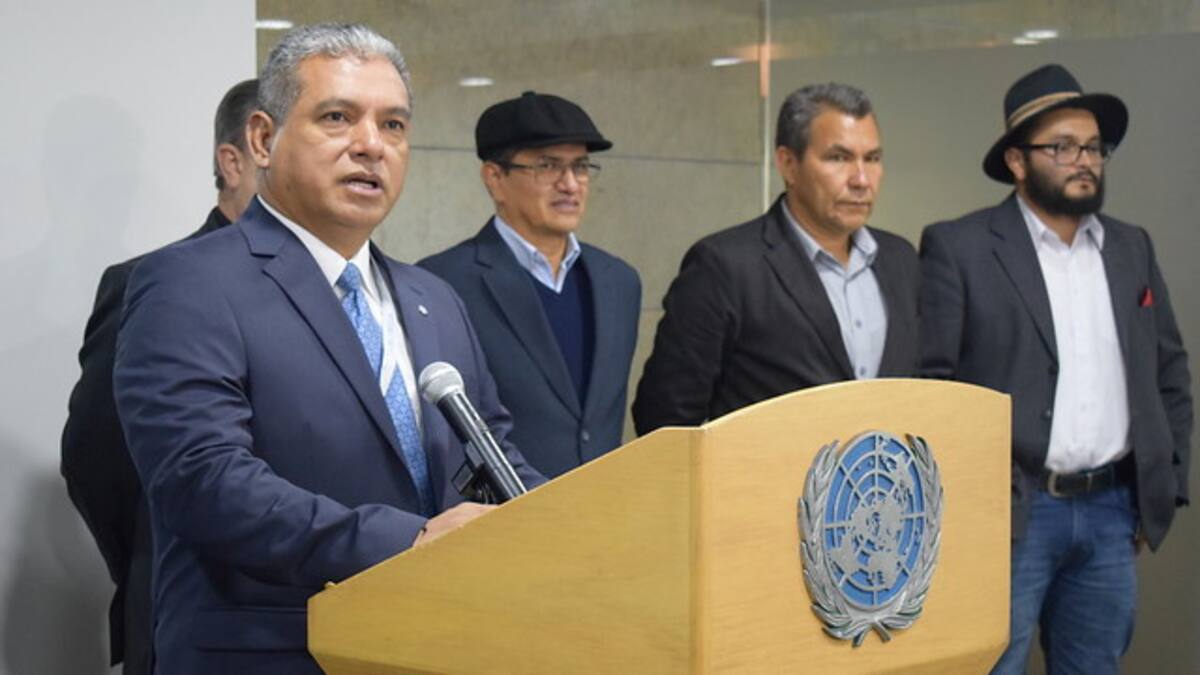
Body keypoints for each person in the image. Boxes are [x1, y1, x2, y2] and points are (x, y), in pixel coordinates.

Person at [112, 24, 544, 674]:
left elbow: (497, 455)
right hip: (273, 653)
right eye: (337, 117)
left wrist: (589, 524)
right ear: (263, 139)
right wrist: (410, 540)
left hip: (436, 647)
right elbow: (203, 480)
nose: (371, 145)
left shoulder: (434, 299)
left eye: (393, 125)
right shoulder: (190, 283)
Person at [918, 64, 1192, 674]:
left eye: (1094, 147)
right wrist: (965, 503)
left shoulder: (1131, 246)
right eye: (1063, 147)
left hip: (1112, 508)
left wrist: (1165, 484)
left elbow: (1168, 369)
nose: (1084, 161)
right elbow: (932, 387)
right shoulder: (960, 247)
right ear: (1017, 161)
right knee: (992, 665)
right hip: (1011, 511)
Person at [61, 77, 259, 675]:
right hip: (187, 612)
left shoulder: (344, 295)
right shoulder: (153, 282)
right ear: (233, 161)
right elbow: (95, 459)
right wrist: (150, 555)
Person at [632, 82, 919, 435]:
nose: (862, 180)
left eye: (872, 158)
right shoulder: (725, 266)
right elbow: (665, 419)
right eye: (839, 158)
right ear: (788, 164)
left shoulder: (900, 260)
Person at [419, 91, 640, 478]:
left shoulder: (619, 281)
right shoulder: (441, 283)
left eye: (580, 167)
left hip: (606, 502)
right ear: (495, 179)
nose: (570, 184)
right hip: (506, 507)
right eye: (547, 166)